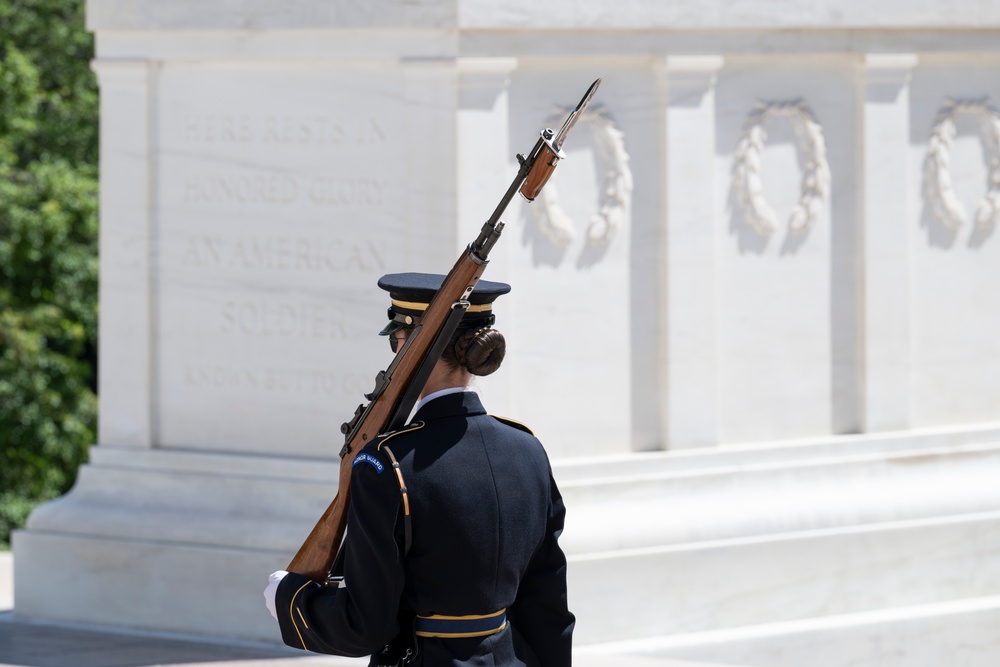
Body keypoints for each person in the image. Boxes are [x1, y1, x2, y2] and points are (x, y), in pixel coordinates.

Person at [264, 272, 575, 667]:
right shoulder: (528, 449)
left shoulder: (387, 462)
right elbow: (547, 608)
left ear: (408, 345)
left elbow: (366, 624)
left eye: (396, 341)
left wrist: (290, 598)